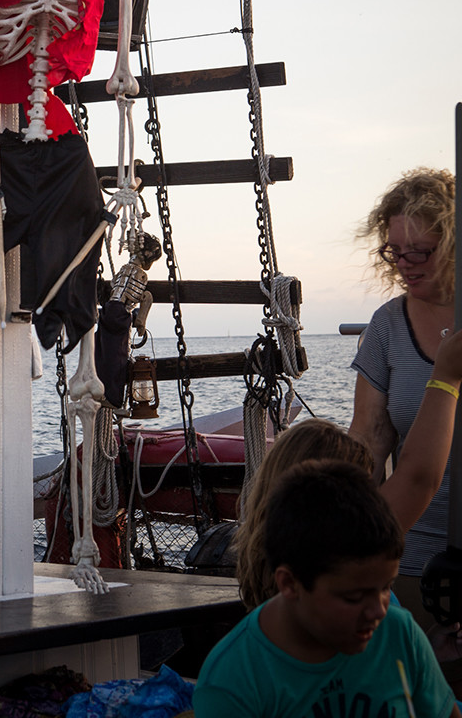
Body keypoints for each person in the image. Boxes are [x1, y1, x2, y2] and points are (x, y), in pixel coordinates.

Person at [193, 460, 461, 718]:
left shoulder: (400, 633)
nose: (379, 610)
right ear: (289, 583)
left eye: (386, 587)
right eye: (354, 597)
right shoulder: (233, 680)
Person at [236, 326, 462, 611]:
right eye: (359, 499)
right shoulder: (344, 570)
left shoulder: (275, 578)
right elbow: (420, 479)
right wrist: (445, 378)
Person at [348, 167, 455, 625]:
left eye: (421, 251)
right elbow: (367, 445)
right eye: (395, 252)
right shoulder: (387, 326)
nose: (405, 264)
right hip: (411, 563)